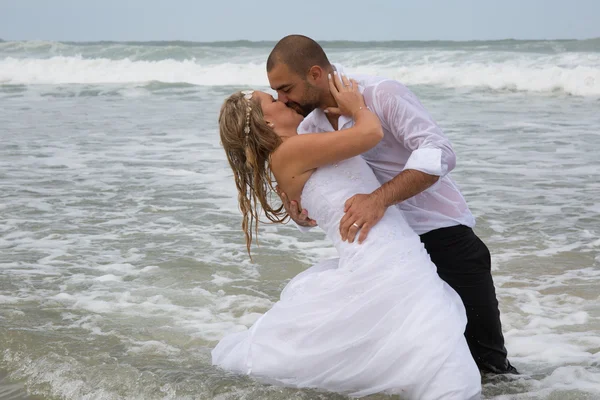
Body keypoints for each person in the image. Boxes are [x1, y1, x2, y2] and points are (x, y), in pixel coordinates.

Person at [212, 72, 482, 399]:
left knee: (425, 340)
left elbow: (313, 208)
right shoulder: (293, 149)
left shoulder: (291, 151)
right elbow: (369, 134)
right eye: (272, 99)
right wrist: (356, 107)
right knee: (434, 343)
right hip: (383, 254)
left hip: (387, 249)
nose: (282, 99)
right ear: (266, 122)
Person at [267, 34, 517, 375]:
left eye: (286, 88)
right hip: (387, 261)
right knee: (419, 369)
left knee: (489, 367)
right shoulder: (309, 125)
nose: (281, 99)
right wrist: (301, 215)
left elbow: (440, 151)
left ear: (314, 74)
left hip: (444, 239)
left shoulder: (380, 93)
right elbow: (327, 192)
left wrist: (379, 199)